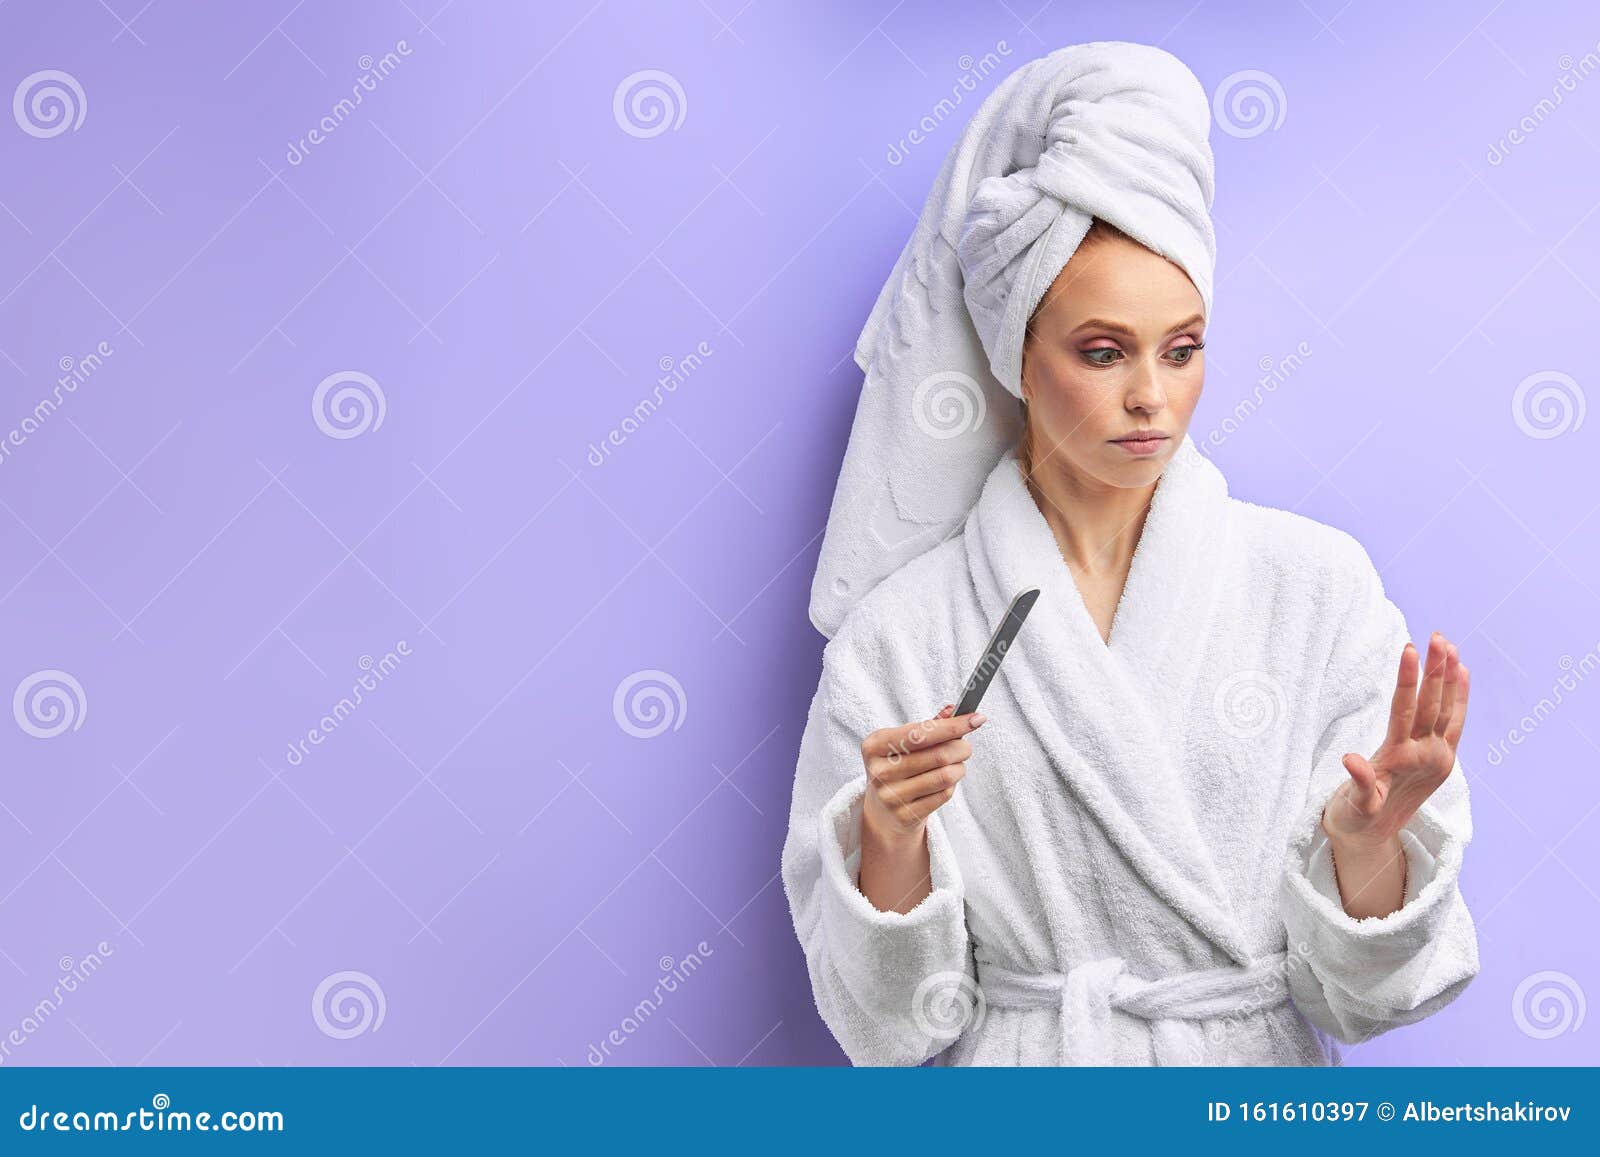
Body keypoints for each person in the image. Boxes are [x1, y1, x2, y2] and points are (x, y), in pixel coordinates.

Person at [780, 41, 1479, 1066]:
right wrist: (888, 839)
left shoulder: (1314, 588)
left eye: (1182, 347)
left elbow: (1358, 1000)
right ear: (1015, 350)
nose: (1151, 394)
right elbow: (890, 1026)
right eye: (1102, 351)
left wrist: (1367, 844)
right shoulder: (906, 631)